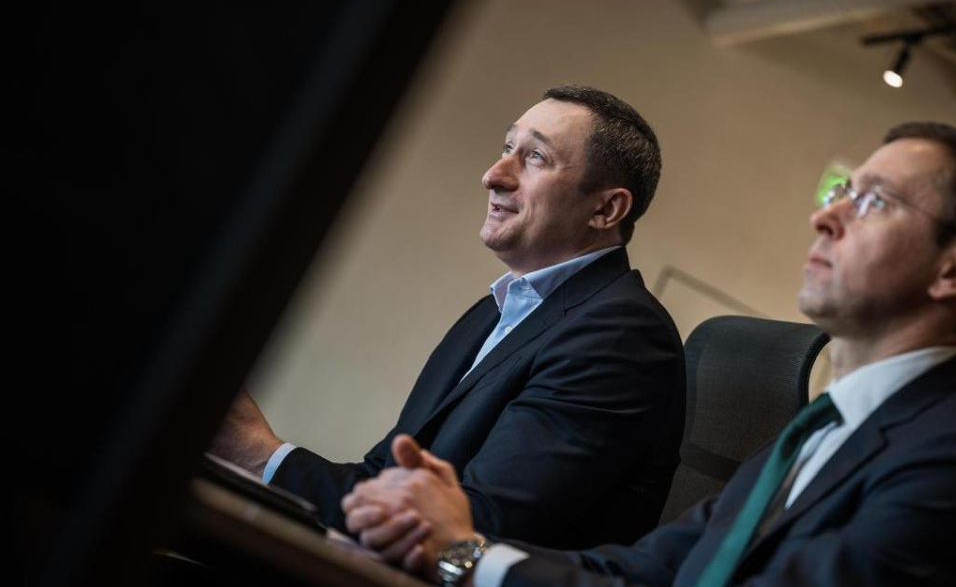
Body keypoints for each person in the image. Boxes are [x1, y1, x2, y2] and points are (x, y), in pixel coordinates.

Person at [342, 122, 956, 587]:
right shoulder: (815, 431)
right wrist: (449, 542)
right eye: (843, 191)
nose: (823, 215)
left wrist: (466, 556)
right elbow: (644, 569)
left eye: (873, 202)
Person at [211, 85, 686, 549]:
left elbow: (475, 528)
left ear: (605, 208)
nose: (493, 175)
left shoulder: (623, 335)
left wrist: (257, 452)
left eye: (535, 157)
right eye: (507, 147)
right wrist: (254, 458)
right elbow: (384, 478)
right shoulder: (497, 309)